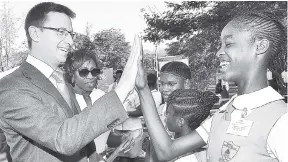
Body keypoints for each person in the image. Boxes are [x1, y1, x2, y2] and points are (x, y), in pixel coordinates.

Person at [135, 11, 288, 162]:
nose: (218, 52)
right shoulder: (223, 113)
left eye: (228, 44)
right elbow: (167, 151)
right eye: (220, 45)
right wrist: (142, 88)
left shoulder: (281, 120)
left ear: (260, 46)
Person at [0, 2, 142, 162]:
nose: (70, 42)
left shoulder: (61, 79)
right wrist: (123, 87)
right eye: (61, 32)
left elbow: (81, 134)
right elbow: (63, 139)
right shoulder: (11, 88)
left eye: (70, 34)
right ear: (35, 33)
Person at [146, 89, 219, 162]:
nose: (164, 116)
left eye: (167, 113)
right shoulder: (199, 148)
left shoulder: (185, 158)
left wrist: (154, 138)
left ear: (180, 122)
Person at [64, 48, 110, 159]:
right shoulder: (66, 100)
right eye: (83, 72)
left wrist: (121, 138)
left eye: (94, 71)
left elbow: (104, 131)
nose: (90, 76)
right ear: (71, 74)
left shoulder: (101, 95)